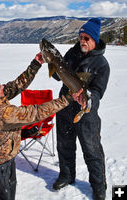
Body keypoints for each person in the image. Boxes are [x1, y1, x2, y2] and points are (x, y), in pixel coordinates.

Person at [0, 53, 84, 200]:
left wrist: (36, 64)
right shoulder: (2, 113)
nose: (2, 86)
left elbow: (16, 86)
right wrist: (68, 99)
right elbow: (36, 112)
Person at [52, 18, 110, 200]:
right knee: (64, 146)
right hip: (64, 108)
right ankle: (67, 175)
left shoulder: (102, 64)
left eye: (87, 38)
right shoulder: (72, 53)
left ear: (94, 39)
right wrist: (50, 62)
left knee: (92, 151)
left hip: (86, 113)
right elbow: (56, 75)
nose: (82, 41)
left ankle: (98, 186)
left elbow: (98, 92)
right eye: (81, 37)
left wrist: (88, 99)